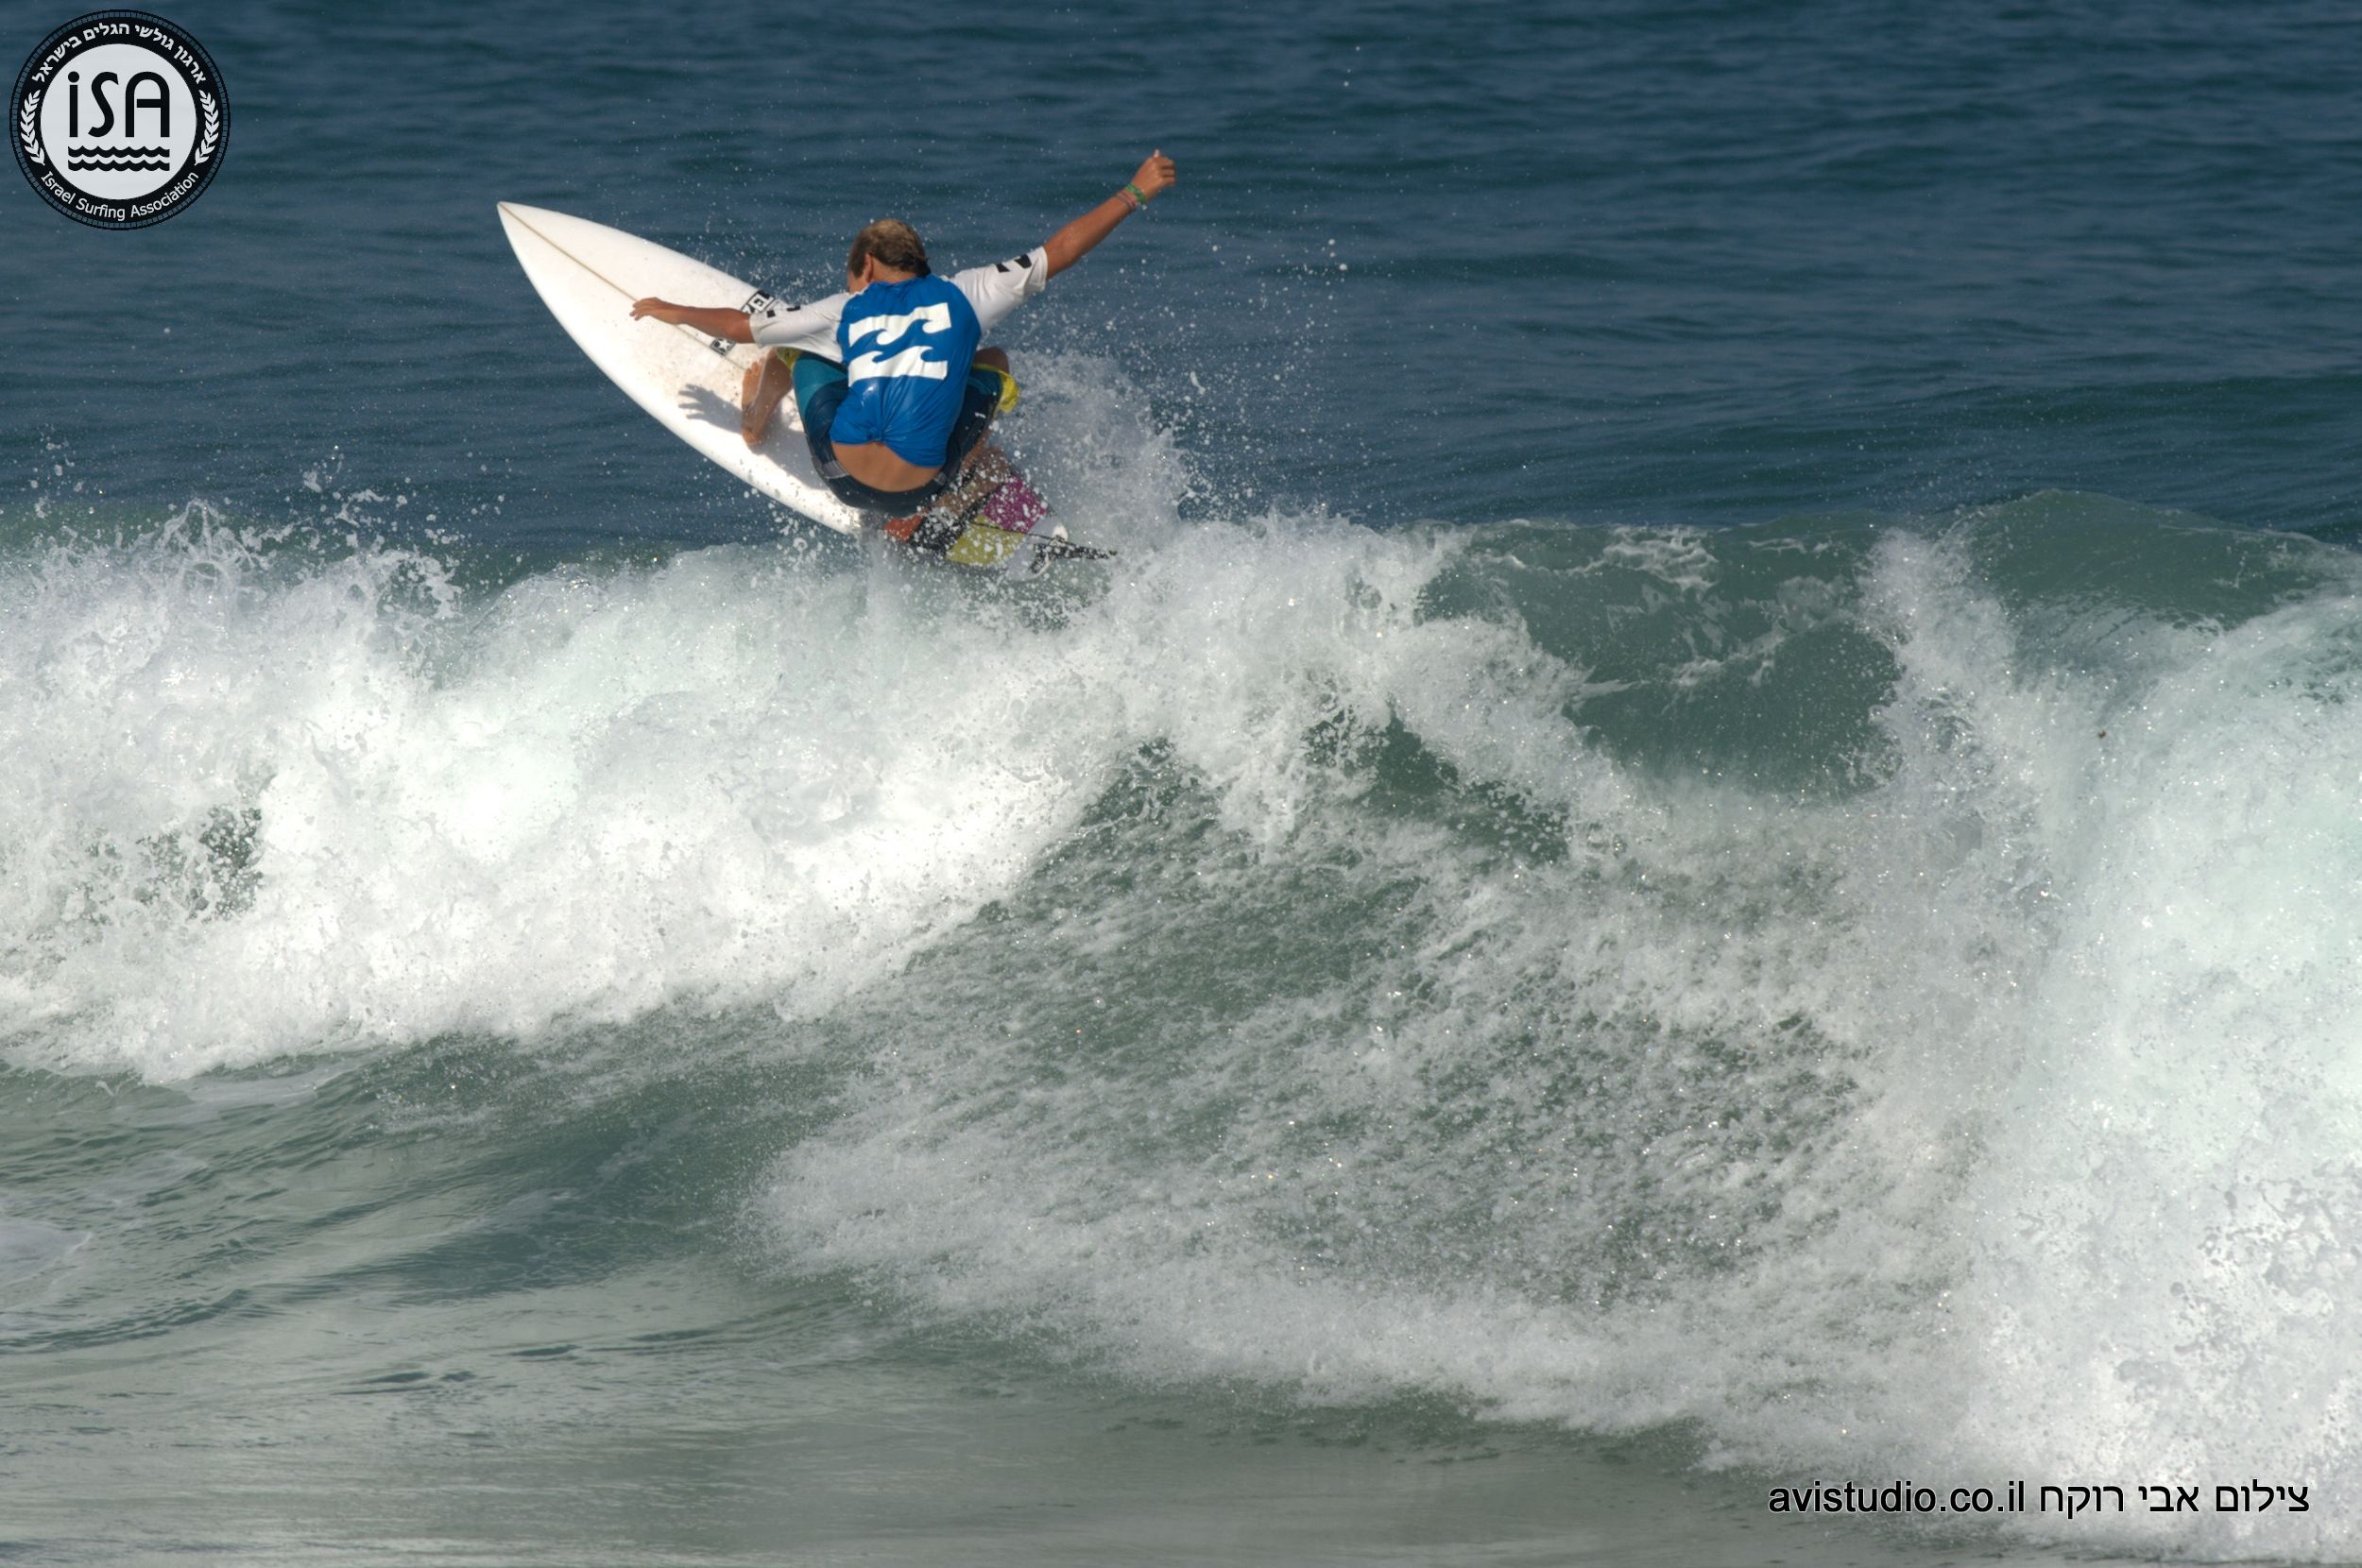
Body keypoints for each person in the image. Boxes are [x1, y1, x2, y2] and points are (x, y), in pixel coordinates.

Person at [629, 151, 1177, 543]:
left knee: (791, 352)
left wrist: (671, 310)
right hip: (924, 486)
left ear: (865, 267)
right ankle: (959, 484)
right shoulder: (970, 292)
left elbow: (739, 327)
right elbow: (1061, 251)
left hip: (842, 475)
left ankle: (753, 419)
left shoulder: (845, 309)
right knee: (994, 364)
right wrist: (1134, 192)